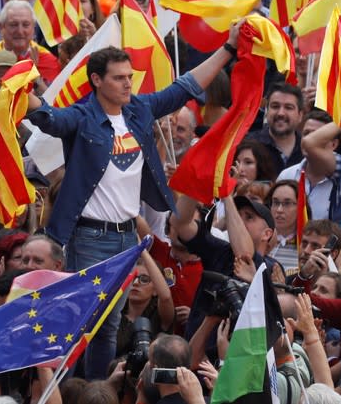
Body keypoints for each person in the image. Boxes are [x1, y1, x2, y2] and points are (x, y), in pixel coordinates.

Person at [24, 19, 240, 379]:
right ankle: (65, 392)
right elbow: (49, 119)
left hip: (127, 239)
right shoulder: (82, 116)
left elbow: (186, 85)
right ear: (97, 81)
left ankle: (94, 394)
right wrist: (18, 91)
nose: (128, 83)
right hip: (89, 237)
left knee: (109, 327)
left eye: (129, 76)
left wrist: (228, 49)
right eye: (119, 78)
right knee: (80, 326)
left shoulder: (138, 110)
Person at [0, 0, 60, 83]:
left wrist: (34, 77)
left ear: (33, 28)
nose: (20, 31)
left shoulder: (47, 60)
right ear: (1, 27)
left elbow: (51, 95)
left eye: (26, 25)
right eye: (14, 25)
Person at [247, 82, 305, 175]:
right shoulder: (248, 145)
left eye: (288, 108)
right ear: (266, 111)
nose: (281, 113)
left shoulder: (308, 150)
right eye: (275, 106)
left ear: (300, 115)